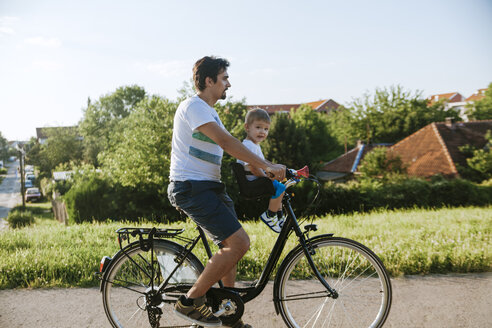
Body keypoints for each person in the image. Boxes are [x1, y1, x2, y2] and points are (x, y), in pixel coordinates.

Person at [167, 56, 285, 328]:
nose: (228, 84)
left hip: (209, 186)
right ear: (209, 81)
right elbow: (226, 142)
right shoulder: (194, 106)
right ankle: (190, 302)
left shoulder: (209, 111)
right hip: (191, 187)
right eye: (224, 78)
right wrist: (266, 164)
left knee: (230, 248)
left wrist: (263, 169)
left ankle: (227, 314)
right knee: (239, 243)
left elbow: (234, 148)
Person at [237, 108, 286, 233]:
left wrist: (276, 167)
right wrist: (267, 178)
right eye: (258, 127)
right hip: (253, 181)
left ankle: (279, 216)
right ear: (247, 127)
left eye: (266, 129)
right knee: (280, 188)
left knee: (281, 187)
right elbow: (253, 167)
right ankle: (269, 216)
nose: (262, 132)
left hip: (256, 178)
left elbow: (263, 163)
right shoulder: (248, 146)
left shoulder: (254, 145)